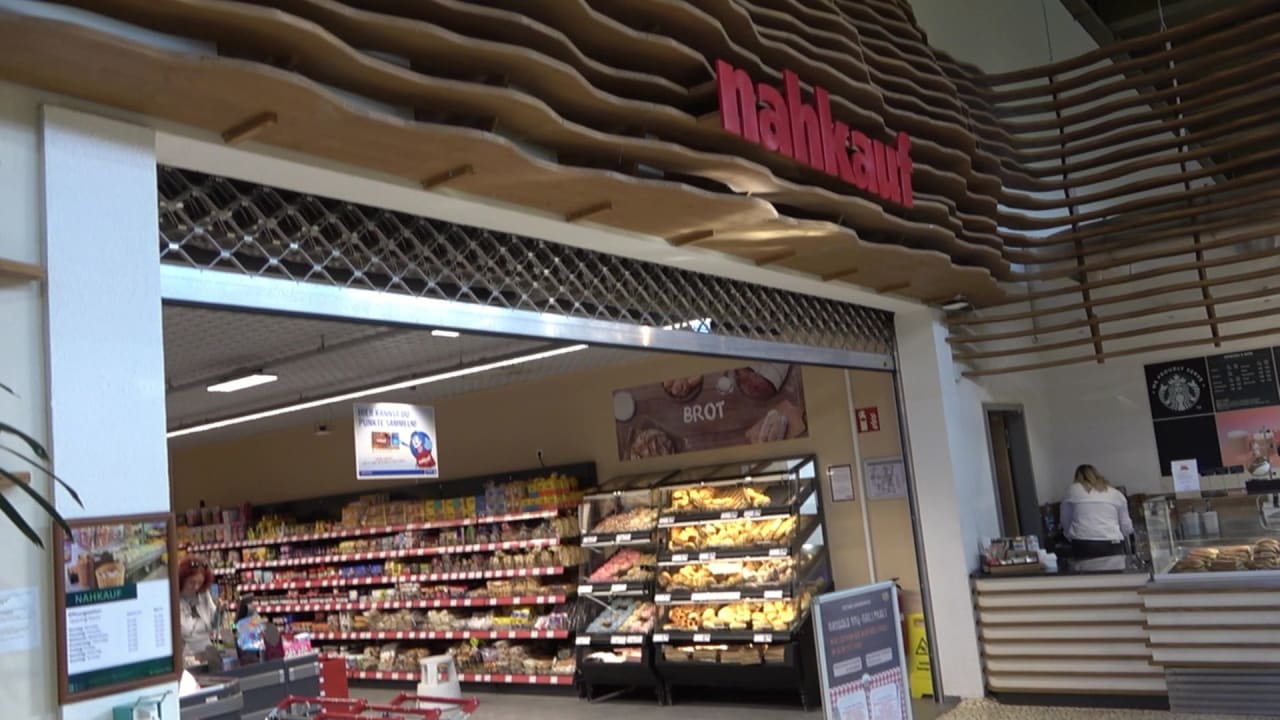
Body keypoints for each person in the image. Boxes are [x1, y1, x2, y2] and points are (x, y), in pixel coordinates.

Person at [1060, 464, 1134, 558]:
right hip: (1112, 542)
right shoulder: (1116, 493)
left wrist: (1070, 536)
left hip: (1083, 543)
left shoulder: (1072, 490)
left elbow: (1065, 520)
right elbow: (1126, 526)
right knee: (1115, 567)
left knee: (1086, 567)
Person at [178, 555, 219, 659]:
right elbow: (187, 630)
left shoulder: (203, 594)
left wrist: (220, 611)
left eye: (200, 583)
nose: (196, 587)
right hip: (186, 654)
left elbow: (214, 623)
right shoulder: (174, 600)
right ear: (182, 580)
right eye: (192, 582)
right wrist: (207, 626)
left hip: (207, 649)